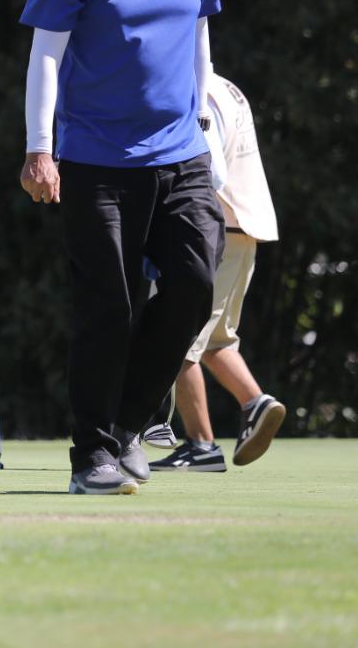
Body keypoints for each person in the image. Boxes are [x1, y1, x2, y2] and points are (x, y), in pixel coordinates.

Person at [19, 0, 225, 496]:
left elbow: (199, 40)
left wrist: (207, 128)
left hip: (181, 153)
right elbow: (46, 54)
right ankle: (91, 457)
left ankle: (129, 423)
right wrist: (39, 147)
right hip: (96, 161)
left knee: (195, 285)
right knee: (108, 306)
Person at [147, 72, 284, 472]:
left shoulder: (191, 85)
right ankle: (257, 402)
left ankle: (201, 445)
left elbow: (206, 165)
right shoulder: (225, 86)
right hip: (246, 227)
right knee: (216, 341)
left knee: (177, 338)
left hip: (214, 226)